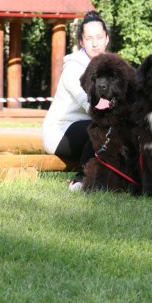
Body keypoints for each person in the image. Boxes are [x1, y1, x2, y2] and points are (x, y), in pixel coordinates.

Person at [42, 11, 110, 191]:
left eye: (99, 37)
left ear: (106, 39)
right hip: (60, 132)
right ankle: (80, 180)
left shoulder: (109, 65)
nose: (95, 43)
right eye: (89, 38)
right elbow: (90, 104)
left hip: (87, 126)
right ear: (81, 41)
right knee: (103, 127)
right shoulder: (73, 68)